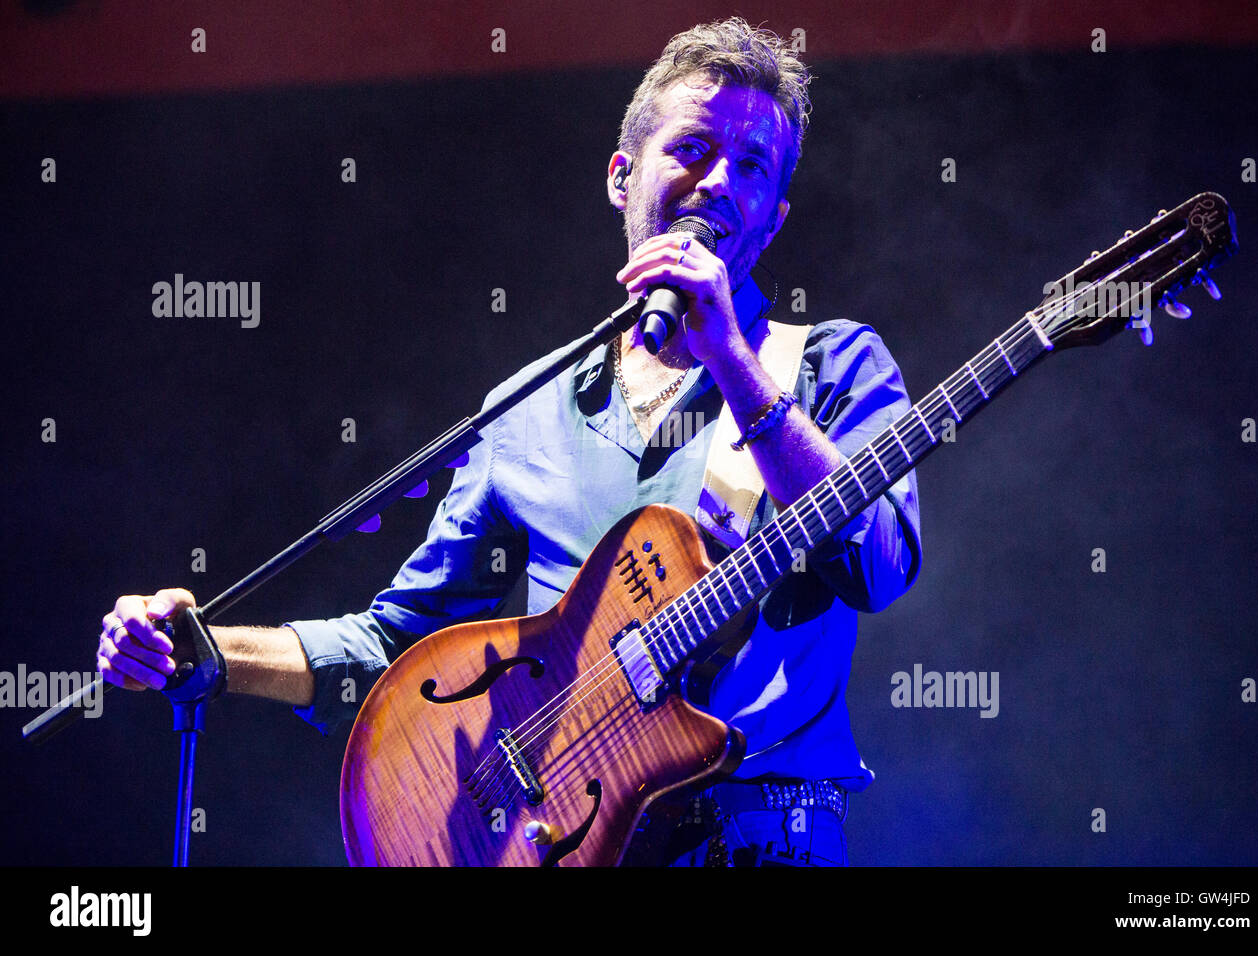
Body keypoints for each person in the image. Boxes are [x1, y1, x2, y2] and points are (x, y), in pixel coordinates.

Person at [97, 18, 921, 867]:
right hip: (573, 842)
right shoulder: (526, 410)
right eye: (694, 149)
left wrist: (733, 363)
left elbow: (880, 565)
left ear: (774, 219)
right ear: (621, 175)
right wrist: (208, 653)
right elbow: (397, 649)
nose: (719, 183)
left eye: (752, 168)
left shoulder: (829, 363)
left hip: (759, 843)